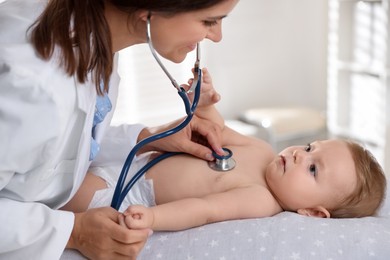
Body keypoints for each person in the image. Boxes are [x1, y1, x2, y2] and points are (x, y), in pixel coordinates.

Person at [0, 0, 239, 259]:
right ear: (149, 11)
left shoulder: (90, 33)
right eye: (209, 21)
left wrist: (150, 138)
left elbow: (56, 141)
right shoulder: (31, 84)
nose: (217, 37)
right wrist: (73, 232)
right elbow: (45, 120)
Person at [65, 68, 387, 233]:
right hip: (134, 159)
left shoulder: (261, 200)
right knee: (64, 163)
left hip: (131, 194)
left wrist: (153, 217)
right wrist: (203, 101)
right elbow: (215, 129)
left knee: (59, 195)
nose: (300, 155)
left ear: (314, 213)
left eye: (313, 169)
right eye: (308, 147)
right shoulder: (261, 150)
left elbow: (205, 210)